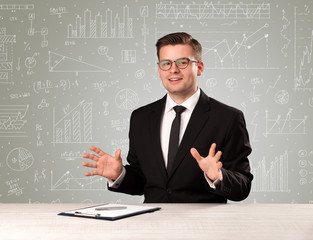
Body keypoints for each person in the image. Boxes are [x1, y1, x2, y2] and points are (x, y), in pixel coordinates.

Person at [82, 32, 253, 203]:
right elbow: (143, 182)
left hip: (202, 224)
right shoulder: (141, 118)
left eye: (182, 62)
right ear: (159, 69)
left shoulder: (228, 118)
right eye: (166, 63)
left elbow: (243, 186)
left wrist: (218, 176)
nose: (173, 69)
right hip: (152, 222)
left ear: (199, 68)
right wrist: (120, 175)